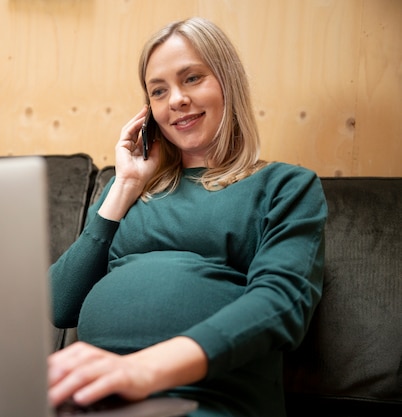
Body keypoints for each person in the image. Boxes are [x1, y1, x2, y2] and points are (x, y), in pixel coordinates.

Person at [47, 17, 327, 417]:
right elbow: (59, 304)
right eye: (158, 91)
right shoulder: (126, 190)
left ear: (227, 84)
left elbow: (282, 304)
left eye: (192, 78)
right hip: (96, 395)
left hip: (204, 398)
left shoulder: (284, 186)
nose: (175, 99)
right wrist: (125, 186)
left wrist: (141, 370)